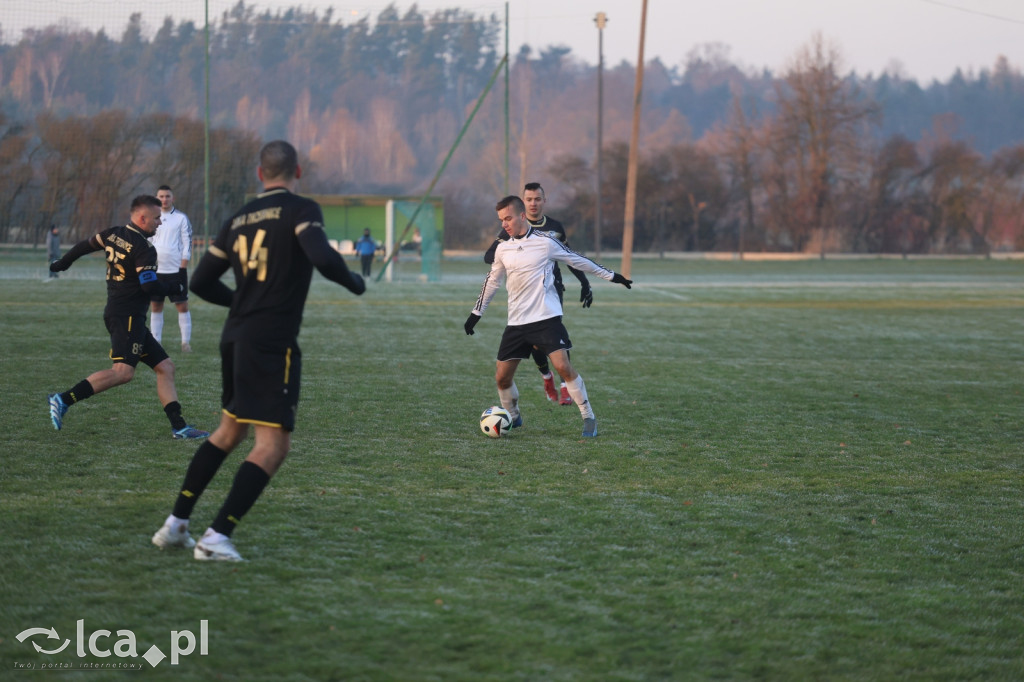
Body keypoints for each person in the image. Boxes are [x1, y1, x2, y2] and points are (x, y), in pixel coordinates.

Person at [151, 140, 366, 561]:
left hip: (236, 336)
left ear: (258, 174)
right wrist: (355, 282)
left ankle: (176, 524)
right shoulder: (302, 209)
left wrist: (243, 303)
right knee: (273, 445)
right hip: (270, 341)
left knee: (229, 432)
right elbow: (322, 257)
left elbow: (200, 283)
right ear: (298, 172)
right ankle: (216, 536)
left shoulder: (238, 218)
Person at [465, 195, 632, 438]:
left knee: (563, 366)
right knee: (502, 378)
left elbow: (578, 260)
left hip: (546, 319)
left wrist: (612, 276)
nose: (504, 224)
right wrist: (475, 313)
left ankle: (588, 417)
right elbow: (492, 282)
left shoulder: (546, 243)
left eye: (508, 218)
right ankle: (512, 415)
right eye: (501, 220)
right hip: (517, 323)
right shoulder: (503, 248)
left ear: (522, 215)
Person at [46, 195, 209, 440]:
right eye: (156, 219)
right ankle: (63, 399)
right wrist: (173, 288)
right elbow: (148, 287)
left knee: (165, 367)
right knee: (123, 372)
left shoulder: (113, 233)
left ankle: (180, 426)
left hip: (124, 314)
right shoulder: (144, 249)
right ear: (142, 218)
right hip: (127, 317)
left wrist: (62, 263)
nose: (159, 223)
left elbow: (85, 245)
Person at [484, 182, 593, 406]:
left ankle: (564, 387)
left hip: (551, 291)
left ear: (544, 201)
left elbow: (570, 257)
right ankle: (546, 377)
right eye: (529, 199)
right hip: (523, 294)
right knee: (534, 344)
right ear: (522, 204)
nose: (533, 203)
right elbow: (489, 256)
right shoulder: (510, 228)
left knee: (556, 338)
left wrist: (585, 283)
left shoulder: (555, 227)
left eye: (537, 199)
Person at [149, 185, 194, 353]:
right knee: (156, 305)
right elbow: (149, 242)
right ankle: (156, 343)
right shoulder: (152, 218)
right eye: (161, 196)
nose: (164, 199)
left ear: (172, 198)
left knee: (182, 306)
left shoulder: (181, 218)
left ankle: (185, 343)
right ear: (156, 198)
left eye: (167, 196)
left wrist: (183, 267)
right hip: (156, 271)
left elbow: (187, 243)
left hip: (176, 270)